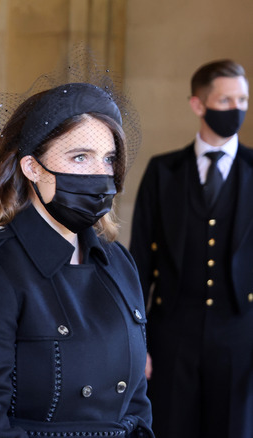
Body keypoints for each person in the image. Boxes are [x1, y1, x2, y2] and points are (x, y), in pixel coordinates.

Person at [0, 82, 154, 437]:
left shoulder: (118, 264)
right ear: (32, 167)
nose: (100, 174)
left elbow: (137, 405)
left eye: (109, 158)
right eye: (79, 157)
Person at [130, 59, 253, 438]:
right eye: (225, 100)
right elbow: (138, 259)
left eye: (243, 100)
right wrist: (139, 344)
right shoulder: (163, 171)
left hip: (241, 332)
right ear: (198, 105)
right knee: (170, 427)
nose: (237, 109)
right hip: (172, 332)